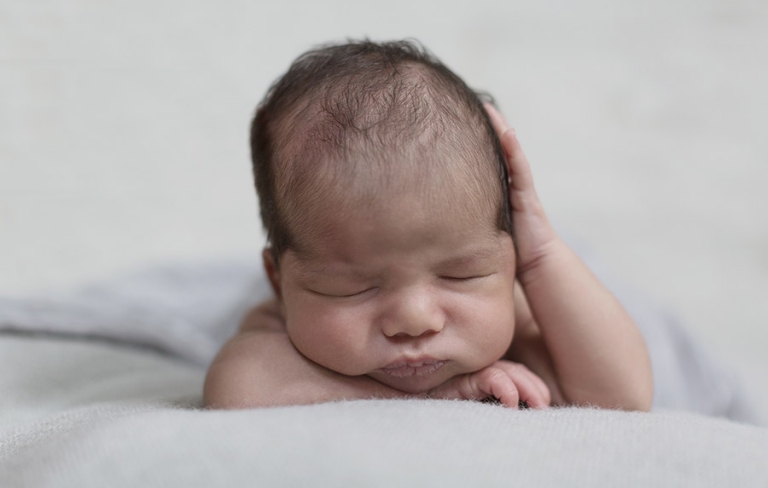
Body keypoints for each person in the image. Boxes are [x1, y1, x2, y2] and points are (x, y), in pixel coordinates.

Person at [203, 40, 653, 411]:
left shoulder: (515, 312)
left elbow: (622, 397)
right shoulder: (280, 324)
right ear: (279, 282)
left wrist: (542, 255)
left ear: (511, 261)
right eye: (353, 287)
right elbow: (237, 387)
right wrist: (444, 394)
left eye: (460, 275)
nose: (414, 319)